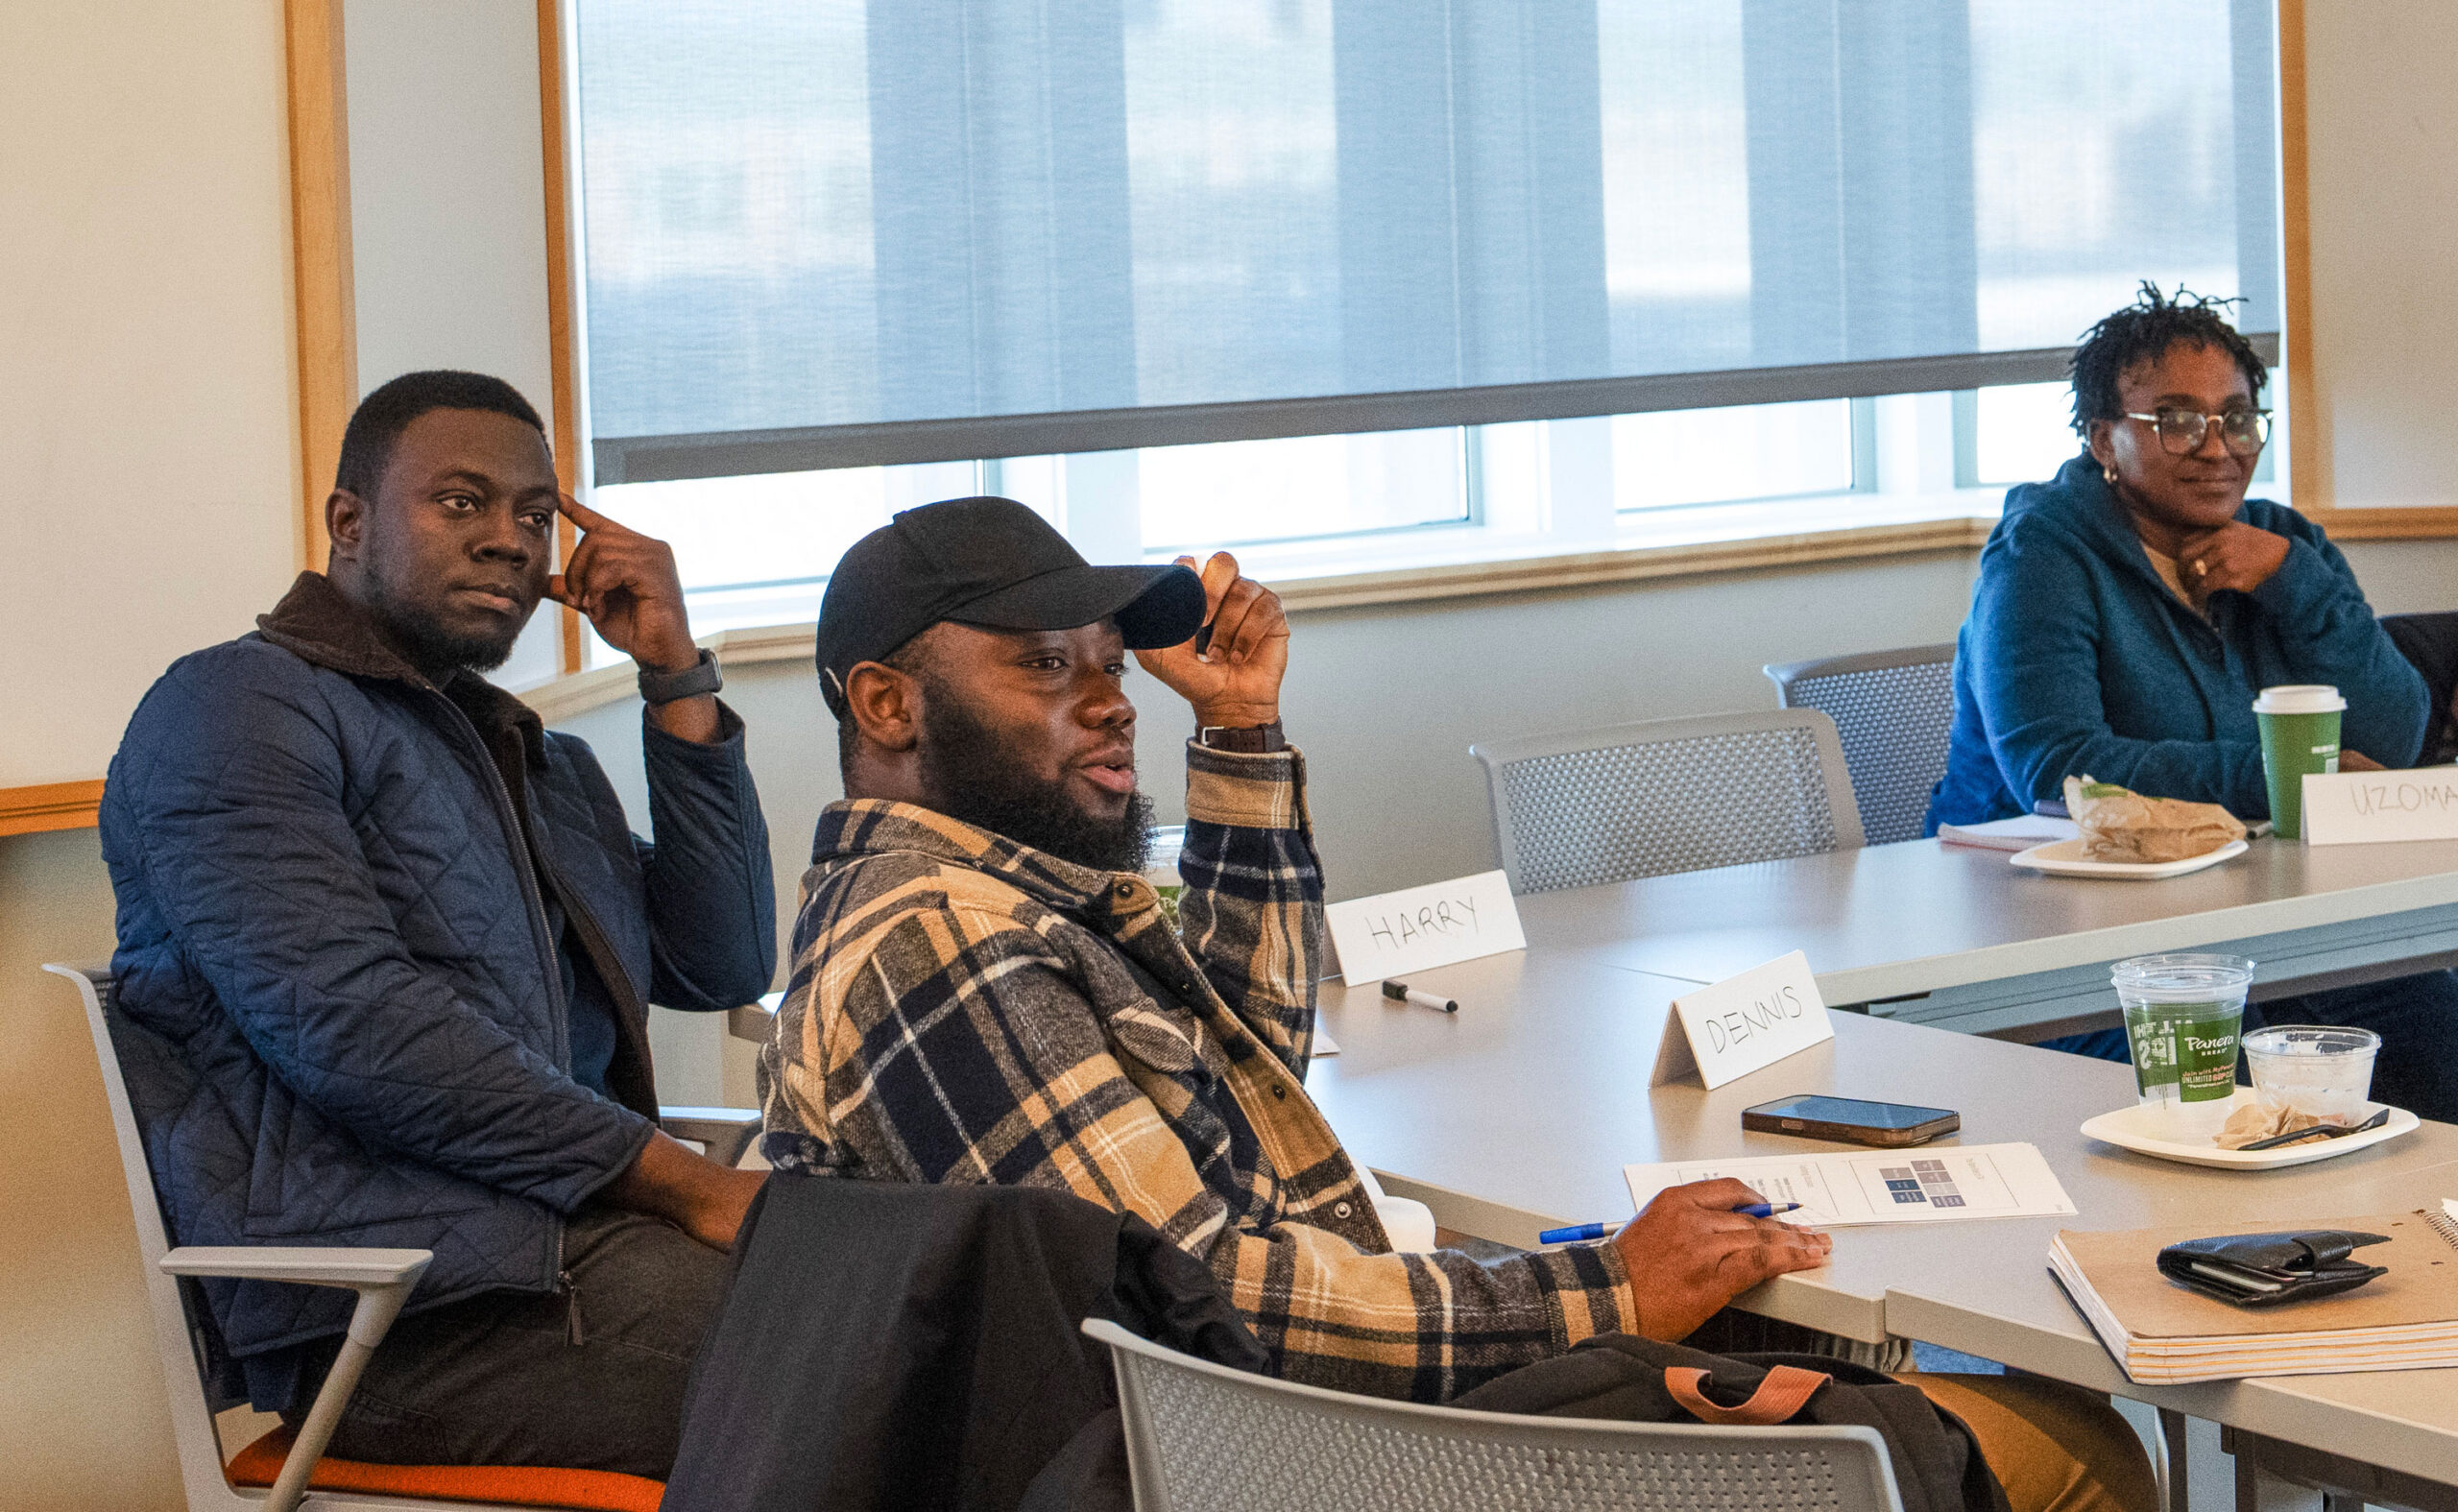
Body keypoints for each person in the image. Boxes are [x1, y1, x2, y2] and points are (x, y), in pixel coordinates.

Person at [761, 495, 2152, 1512]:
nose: (1112, 702)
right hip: (1296, 1462)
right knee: (2069, 1449)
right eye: (1043, 665)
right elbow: (1212, 1298)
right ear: (886, 704)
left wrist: (1237, 726)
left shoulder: (995, 904)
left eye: (1109, 665)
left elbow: (1250, 1056)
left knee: (1778, 1335)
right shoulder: (941, 942)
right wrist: (1603, 1286)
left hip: (1284, 1435)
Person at [101, 371, 776, 1477]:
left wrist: (675, 679)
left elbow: (720, 963)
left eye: (535, 514)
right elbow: (351, 1025)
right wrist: (692, 1187)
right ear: (349, 522)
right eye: (462, 502)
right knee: (877, 1366)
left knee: (941, 1299)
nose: (510, 539)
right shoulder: (230, 707)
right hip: (402, 1316)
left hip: (575, 1253)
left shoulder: (537, 760)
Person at [1926, 285, 2458, 1116]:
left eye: (2237, 419)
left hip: (2257, 920)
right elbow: (2057, 768)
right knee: (2236, 1085)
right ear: (2103, 437)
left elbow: (2395, 731)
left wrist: (2294, 582)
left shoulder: (2285, 542)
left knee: (2436, 1034)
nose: (2216, 447)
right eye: (2176, 420)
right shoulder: (2042, 557)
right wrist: (2285, 780)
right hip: (2052, 941)